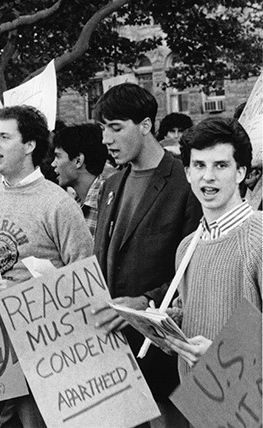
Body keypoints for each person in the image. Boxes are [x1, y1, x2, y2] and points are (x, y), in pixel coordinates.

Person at [0, 105, 94, 427]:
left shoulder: (59, 204)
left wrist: (22, 293)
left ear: (30, 146)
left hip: (41, 348)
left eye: (4, 137)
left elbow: (86, 282)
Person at [90, 83, 202, 425]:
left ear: (146, 125)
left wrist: (144, 303)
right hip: (115, 352)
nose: (107, 139)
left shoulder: (187, 182)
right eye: (102, 129)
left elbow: (194, 267)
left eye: (116, 127)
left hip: (166, 354)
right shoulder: (110, 185)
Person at [162, 118, 261, 375]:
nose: (208, 176)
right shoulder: (186, 247)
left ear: (241, 172)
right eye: (199, 165)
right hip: (200, 401)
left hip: (248, 407)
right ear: (187, 173)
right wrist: (172, 324)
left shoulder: (258, 237)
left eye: (220, 165)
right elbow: (207, 312)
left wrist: (223, 354)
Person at [51, 123, 110, 235]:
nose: (53, 164)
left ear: (78, 160)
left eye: (58, 156)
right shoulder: (70, 205)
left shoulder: (109, 202)